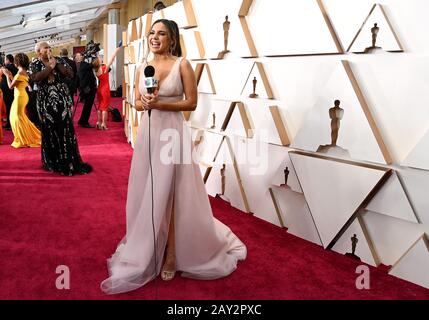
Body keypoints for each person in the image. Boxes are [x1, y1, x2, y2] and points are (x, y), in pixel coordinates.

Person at [101, 19, 246, 294]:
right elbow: (137, 102)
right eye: (152, 33)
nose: (155, 37)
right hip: (149, 135)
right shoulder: (144, 66)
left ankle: (171, 253)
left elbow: (191, 103)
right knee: (150, 190)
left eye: (161, 34)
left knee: (172, 194)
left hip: (173, 134)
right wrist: (145, 104)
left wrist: (161, 103)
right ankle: (151, 242)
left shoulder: (182, 65)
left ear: (172, 39)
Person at [29, 42, 92, 176]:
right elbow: (35, 78)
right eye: (45, 48)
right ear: (39, 52)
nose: (48, 49)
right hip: (45, 102)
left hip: (61, 100)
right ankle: (52, 160)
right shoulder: (34, 64)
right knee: (49, 129)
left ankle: (67, 158)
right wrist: (48, 68)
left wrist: (55, 63)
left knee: (65, 127)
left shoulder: (59, 61)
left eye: (49, 47)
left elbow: (69, 73)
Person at [1, 53, 41, 148]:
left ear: (17, 62)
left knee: (16, 118)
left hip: (20, 97)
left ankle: (23, 138)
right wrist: (11, 76)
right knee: (19, 117)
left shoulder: (20, 73)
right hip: (21, 95)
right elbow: (17, 83)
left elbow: (11, 86)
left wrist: (7, 75)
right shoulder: (23, 71)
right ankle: (26, 136)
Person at [92, 46, 122, 130]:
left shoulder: (96, 70)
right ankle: (104, 124)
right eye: (99, 60)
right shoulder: (104, 68)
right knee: (105, 107)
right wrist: (116, 50)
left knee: (100, 106)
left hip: (99, 88)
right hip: (105, 89)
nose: (101, 59)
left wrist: (96, 53)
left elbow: (98, 60)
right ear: (98, 63)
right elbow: (111, 60)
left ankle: (98, 122)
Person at [77, 50, 97, 128]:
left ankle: (82, 121)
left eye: (81, 55)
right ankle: (83, 121)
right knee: (87, 107)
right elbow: (93, 64)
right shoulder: (84, 65)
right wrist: (92, 56)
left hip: (87, 89)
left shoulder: (83, 65)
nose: (80, 56)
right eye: (79, 56)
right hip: (88, 89)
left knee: (87, 106)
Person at [0, 54, 18, 130]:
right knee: (11, 106)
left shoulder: (6, 68)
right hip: (13, 89)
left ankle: (10, 123)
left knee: (8, 106)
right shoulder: (15, 67)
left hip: (8, 89)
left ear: (7, 60)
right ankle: (11, 122)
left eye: (5, 60)